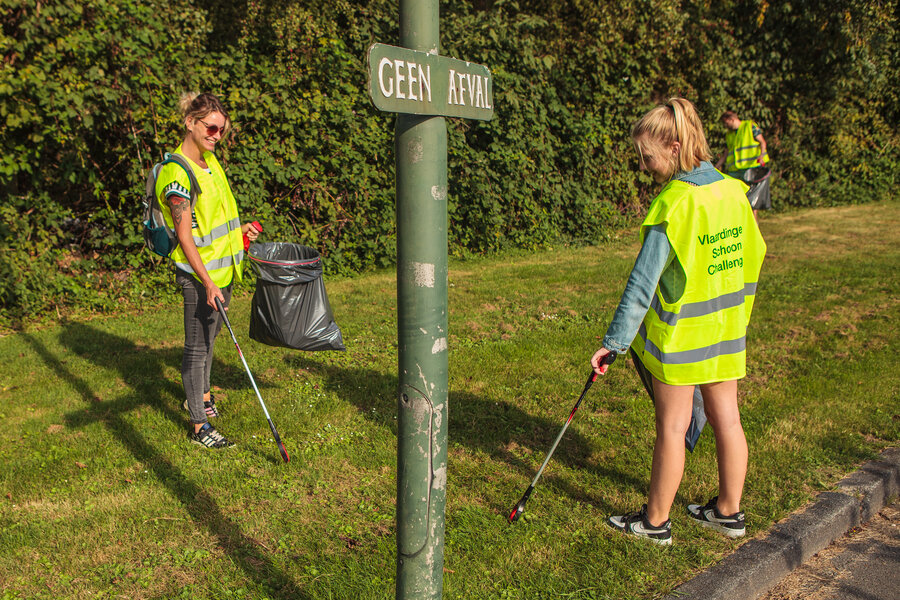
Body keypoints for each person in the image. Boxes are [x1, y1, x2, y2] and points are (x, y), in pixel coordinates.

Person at [590, 98, 766, 545]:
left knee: (671, 426)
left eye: (647, 156)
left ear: (673, 146)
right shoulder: (732, 191)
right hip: (727, 332)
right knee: (728, 420)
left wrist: (614, 342)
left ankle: (654, 522)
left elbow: (641, 286)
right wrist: (738, 315)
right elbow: (754, 256)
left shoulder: (674, 203)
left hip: (681, 339)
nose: (644, 165)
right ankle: (728, 513)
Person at [155, 92, 260, 449]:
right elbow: (185, 235)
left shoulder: (210, 162)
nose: (217, 135)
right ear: (190, 123)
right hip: (200, 276)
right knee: (197, 347)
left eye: (221, 130)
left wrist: (239, 231)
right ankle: (199, 426)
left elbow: (212, 220)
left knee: (211, 339)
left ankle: (201, 396)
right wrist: (207, 282)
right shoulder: (177, 172)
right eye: (211, 128)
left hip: (223, 272)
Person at [715, 110, 768, 175]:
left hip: (751, 167)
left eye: (726, 123)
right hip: (734, 170)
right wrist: (715, 168)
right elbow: (726, 154)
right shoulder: (729, 134)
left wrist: (761, 156)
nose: (725, 125)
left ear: (732, 119)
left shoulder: (749, 126)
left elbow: (762, 142)